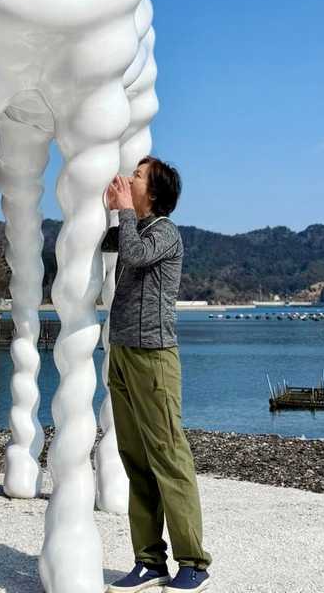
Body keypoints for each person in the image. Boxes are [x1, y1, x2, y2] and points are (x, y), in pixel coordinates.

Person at [101, 157, 211, 592]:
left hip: (154, 357)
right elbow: (106, 243)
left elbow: (134, 253)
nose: (130, 178)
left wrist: (124, 211)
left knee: (168, 457)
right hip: (123, 352)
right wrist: (108, 208)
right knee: (135, 458)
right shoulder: (135, 227)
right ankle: (149, 561)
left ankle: (194, 563)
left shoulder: (165, 232)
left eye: (138, 176)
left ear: (154, 192)